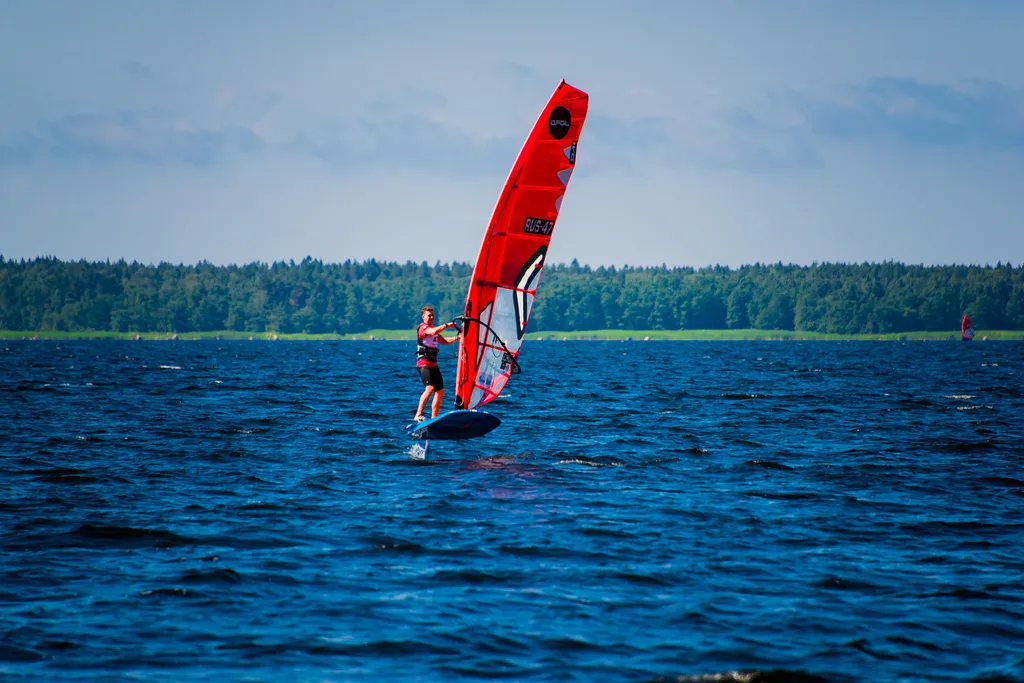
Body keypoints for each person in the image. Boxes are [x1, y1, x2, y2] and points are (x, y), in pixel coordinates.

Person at [414, 306, 461, 421]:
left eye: (432, 315)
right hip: (423, 364)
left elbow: (444, 341)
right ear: (423, 317)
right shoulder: (423, 328)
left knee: (440, 391)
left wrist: (458, 337)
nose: (431, 317)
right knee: (430, 388)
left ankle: (434, 418)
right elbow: (433, 331)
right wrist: (447, 325)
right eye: (429, 315)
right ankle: (418, 415)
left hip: (433, 364)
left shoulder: (434, 330)